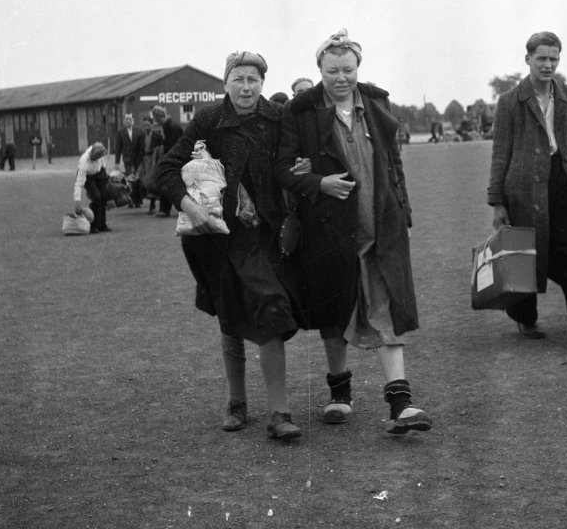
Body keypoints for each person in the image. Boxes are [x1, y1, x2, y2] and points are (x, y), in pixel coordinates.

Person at [275, 28, 432, 435]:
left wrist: (405, 217)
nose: (341, 78)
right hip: (328, 230)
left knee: (387, 303)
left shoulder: (377, 103)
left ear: (358, 67)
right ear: (319, 69)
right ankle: (339, 396)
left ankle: (402, 405)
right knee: (335, 309)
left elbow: (394, 166)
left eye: (348, 69)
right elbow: (282, 170)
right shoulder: (300, 111)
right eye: (332, 70)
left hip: (381, 225)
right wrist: (318, 184)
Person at [153, 51, 304, 440]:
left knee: (272, 309)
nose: (246, 86)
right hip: (215, 238)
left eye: (253, 78)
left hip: (263, 238)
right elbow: (165, 169)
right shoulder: (208, 121)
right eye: (238, 78)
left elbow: (288, 165)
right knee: (229, 313)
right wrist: (189, 207)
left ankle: (279, 413)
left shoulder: (277, 119)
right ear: (225, 83)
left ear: (262, 83)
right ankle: (236, 403)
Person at [486, 31, 567, 350]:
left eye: (553, 58)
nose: (547, 64)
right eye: (541, 58)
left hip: (560, 181)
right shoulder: (510, 101)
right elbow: (501, 151)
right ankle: (524, 315)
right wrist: (497, 201)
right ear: (527, 58)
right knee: (526, 253)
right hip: (522, 188)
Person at [149, 105, 182, 217]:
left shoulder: (171, 127)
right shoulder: (168, 126)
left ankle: (166, 209)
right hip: (173, 159)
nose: (153, 119)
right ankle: (165, 209)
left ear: (158, 116)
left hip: (175, 160)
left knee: (168, 182)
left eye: (154, 117)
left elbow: (174, 145)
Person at [72, 142, 111, 233]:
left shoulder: (99, 151)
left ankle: (102, 224)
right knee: (97, 197)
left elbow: (102, 161)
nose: (97, 159)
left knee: (104, 196)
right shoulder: (84, 162)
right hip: (88, 177)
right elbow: (78, 184)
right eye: (95, 158)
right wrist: (77, 201)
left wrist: (105, 173)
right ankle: (93, 225)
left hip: (99, 172)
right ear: (92, 155)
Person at [114, 113, 146, 206]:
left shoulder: (139, 130)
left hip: (138, 159)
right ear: (124, 121)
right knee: (130, 180)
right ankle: (130, 200)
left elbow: (142, 146)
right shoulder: (120, 132)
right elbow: (118, 148)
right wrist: (116, 162)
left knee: (138, 179)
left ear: (133, 120)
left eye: (130, 119)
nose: (128, 121)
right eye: (126, 119)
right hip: (127, 159)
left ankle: (138, 201)